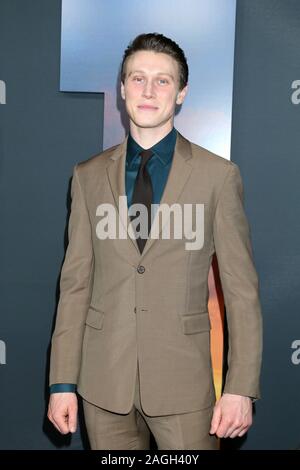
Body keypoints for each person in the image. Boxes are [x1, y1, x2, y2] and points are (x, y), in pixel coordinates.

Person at [47, 33, 262, 450]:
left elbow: (241, 290)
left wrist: (240, 388)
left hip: (185, 387)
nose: (148, 90)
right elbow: (75, 285)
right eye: (138, 78)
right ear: (122, 88)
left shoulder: (218, 176)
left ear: (181, 93)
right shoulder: (87, 177)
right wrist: (61, 382)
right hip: (103, 386)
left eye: (162, 81)